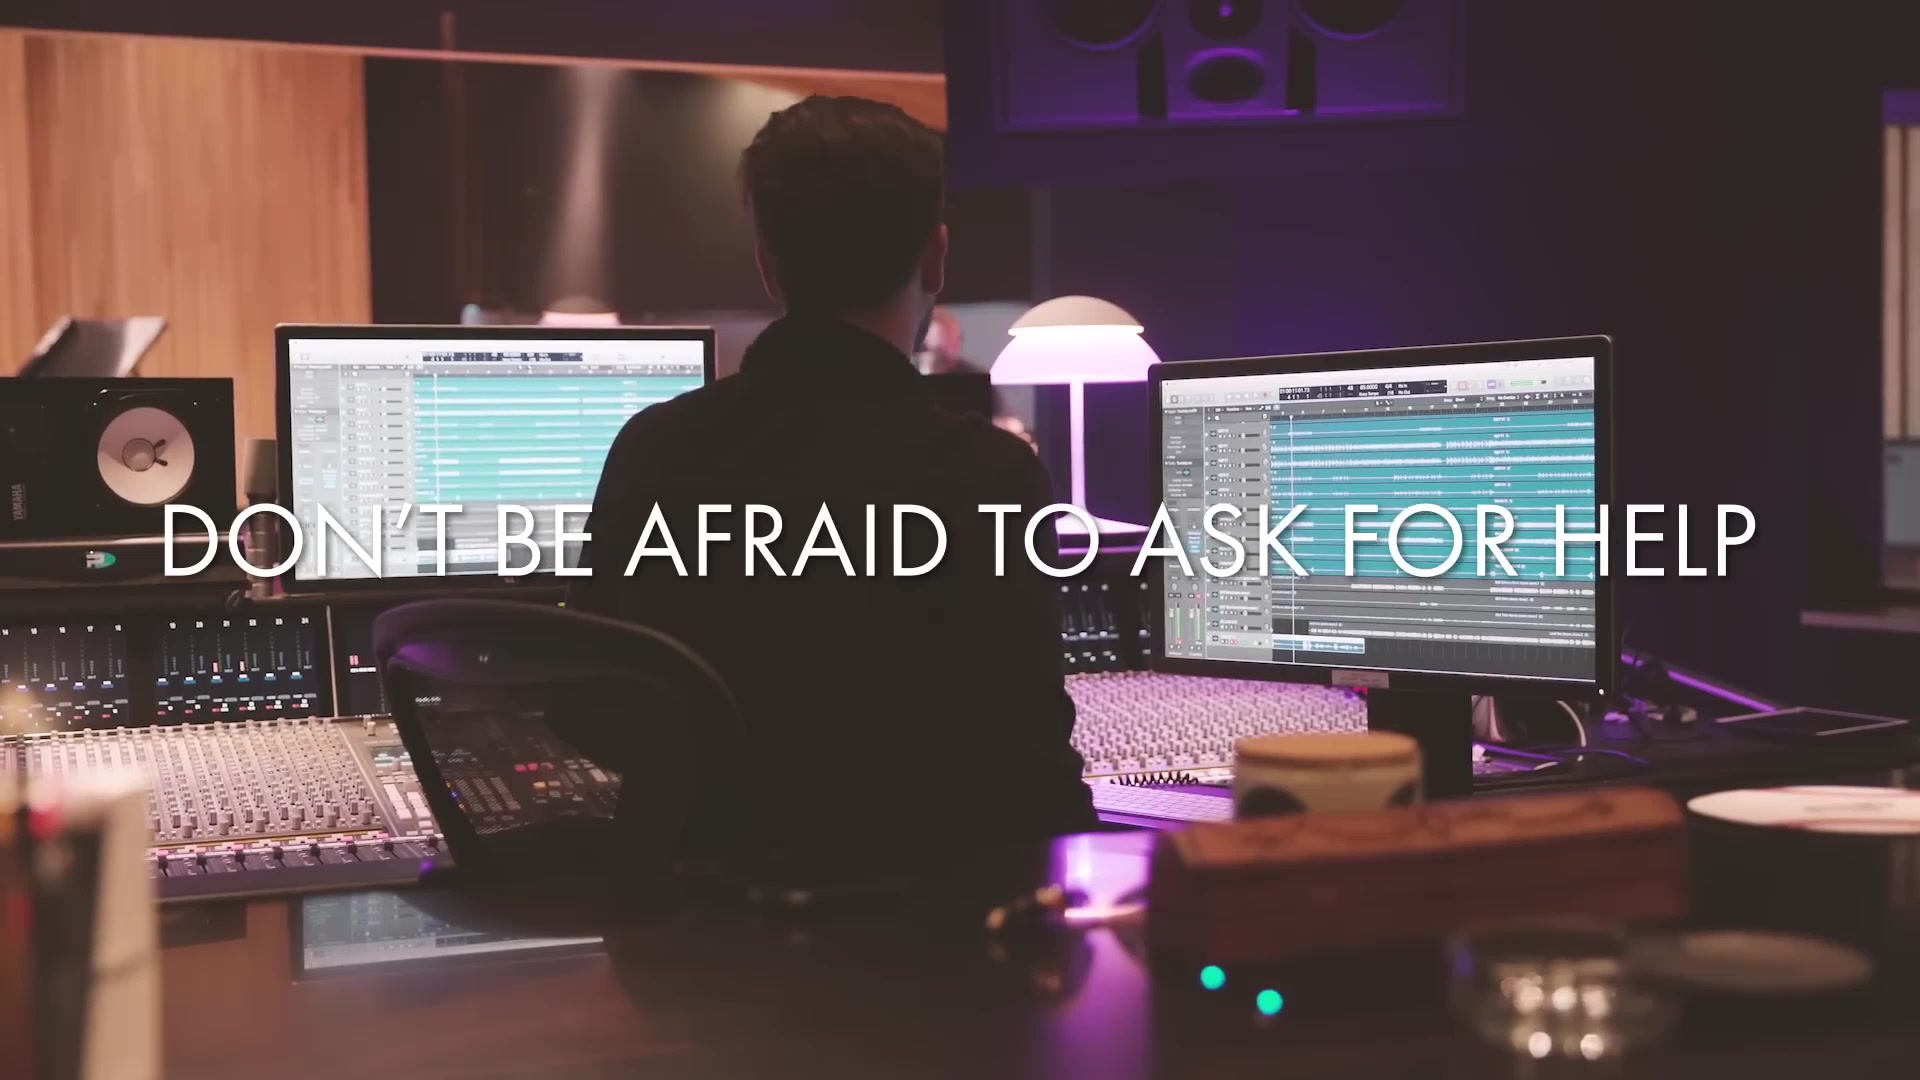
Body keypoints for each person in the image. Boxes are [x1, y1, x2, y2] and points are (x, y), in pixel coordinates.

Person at [569, 95, 1096, 853]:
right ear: (936, 257)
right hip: (939, 918)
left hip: (695, 912)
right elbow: (1031, 763)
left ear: (767, 264)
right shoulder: (991, 476)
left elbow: (590, 708)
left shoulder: (654, 448)